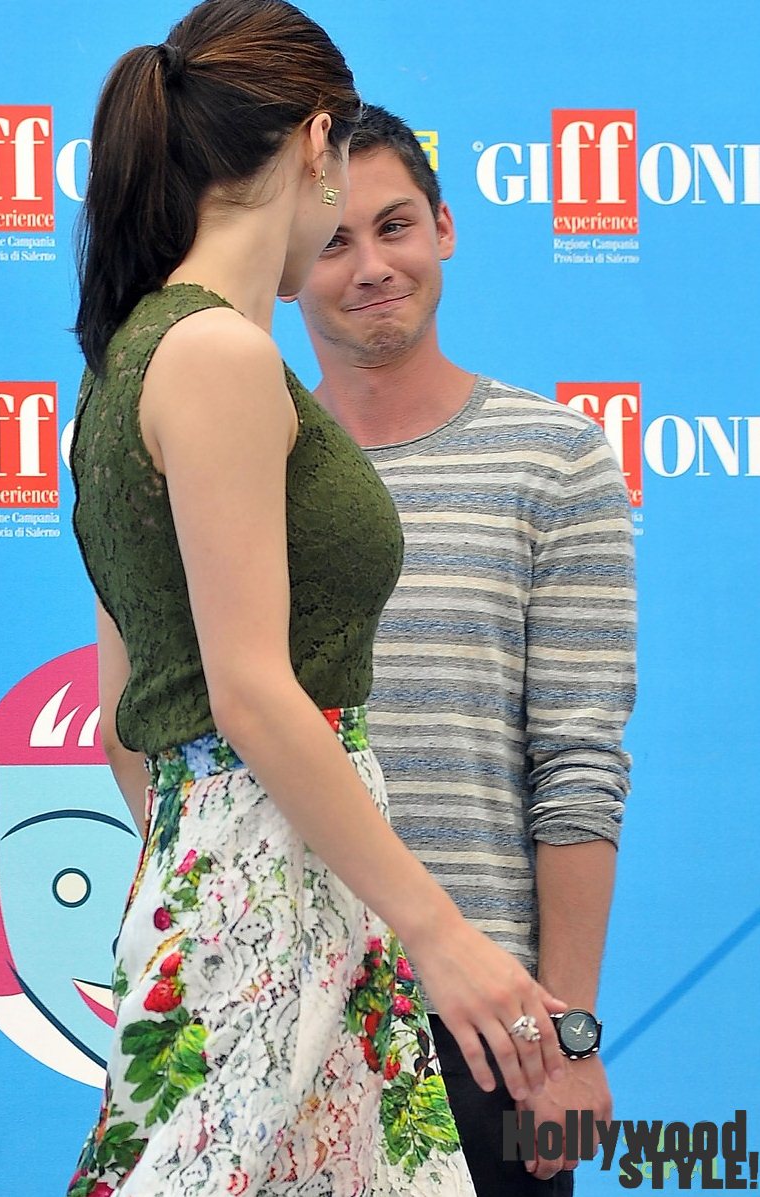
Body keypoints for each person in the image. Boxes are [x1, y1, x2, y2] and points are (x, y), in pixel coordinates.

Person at [65, 5, 568, 1196]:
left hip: (235, 867)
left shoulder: (119, 369)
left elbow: (124, 715)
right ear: (317, 144)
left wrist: (206, 869)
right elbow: (247, 692)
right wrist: (443, 934)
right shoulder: (219, 358)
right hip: (276, 871)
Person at [293, 104, 636, 1195]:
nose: (371, 266)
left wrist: (567, 1038)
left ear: (444, 226)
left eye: (393, 226)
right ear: (286, 265)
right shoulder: (234, 464)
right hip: (284, 1007)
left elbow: (578, 765)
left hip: (493, 1030)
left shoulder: (558, 458)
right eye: (334, 240)